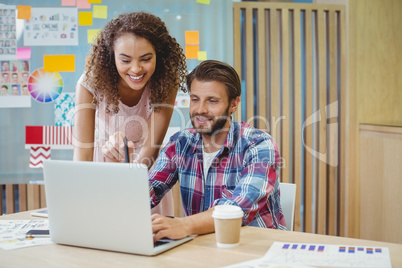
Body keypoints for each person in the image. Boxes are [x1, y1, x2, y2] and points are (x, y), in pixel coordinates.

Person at [149, 60, 287, 242]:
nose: (200, 110)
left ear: (234, 104)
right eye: (195, 99)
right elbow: (151, 188)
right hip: (202, 248)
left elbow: (235, 210)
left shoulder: (259, 145)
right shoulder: (180, 143)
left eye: (212, 101)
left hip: (255, 250)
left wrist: (183, 225)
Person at [73, 12, 187, 215]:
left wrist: (129, 189)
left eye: (145, 59)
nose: (136, 69)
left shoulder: (165, 82)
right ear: (111, 56)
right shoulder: (90, 83)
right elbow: (82, 153)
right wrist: (79, 200)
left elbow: (150, 151)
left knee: (150, 237)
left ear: (158, 56)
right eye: (125, 60)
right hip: (102, 168)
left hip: (144, 173)